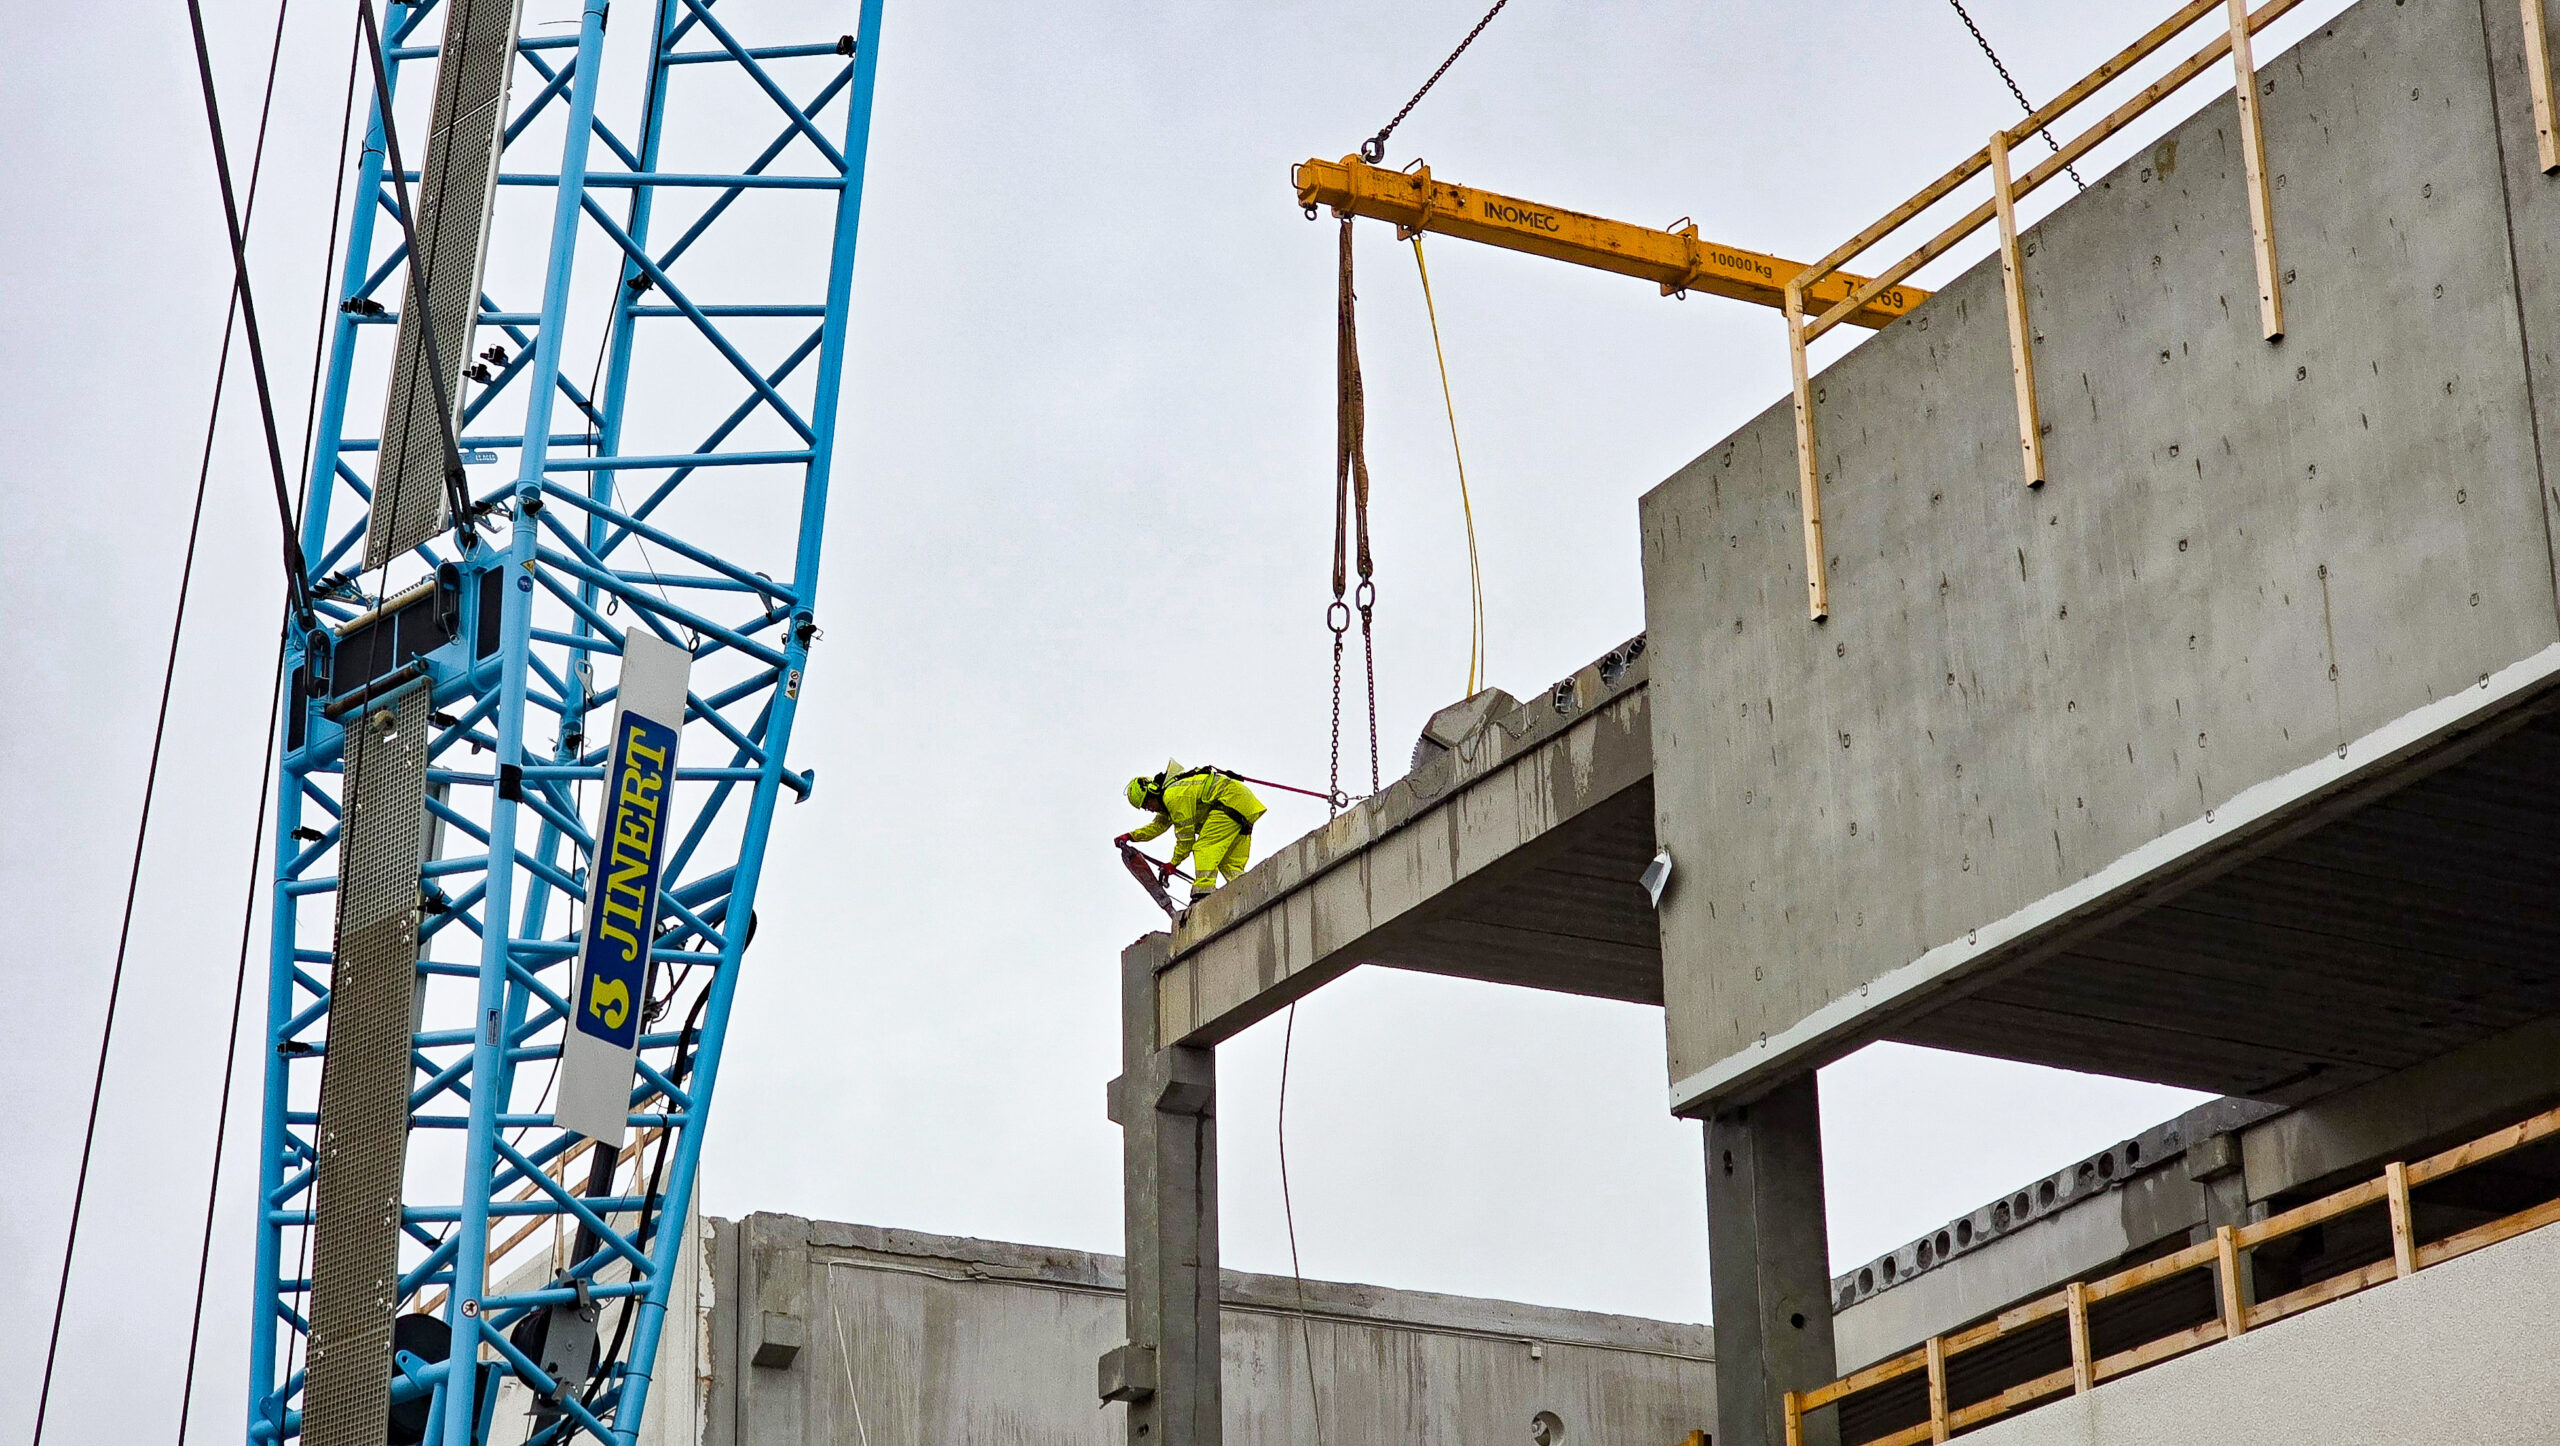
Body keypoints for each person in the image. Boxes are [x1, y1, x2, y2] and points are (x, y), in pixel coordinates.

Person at [1118, 761, 1267, 904]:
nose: (1149, 809)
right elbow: (1157, 826)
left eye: (1146, 804)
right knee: (1230, 864)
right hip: (1243, 806)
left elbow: (1186, 839)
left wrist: (1173, 863)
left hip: (1229, 802)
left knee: (1203, 847)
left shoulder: (1174, 796)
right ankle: (1250, 892)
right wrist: (1130, 836)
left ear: (1152, 792)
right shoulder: (1171, 797)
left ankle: (1203, 892)